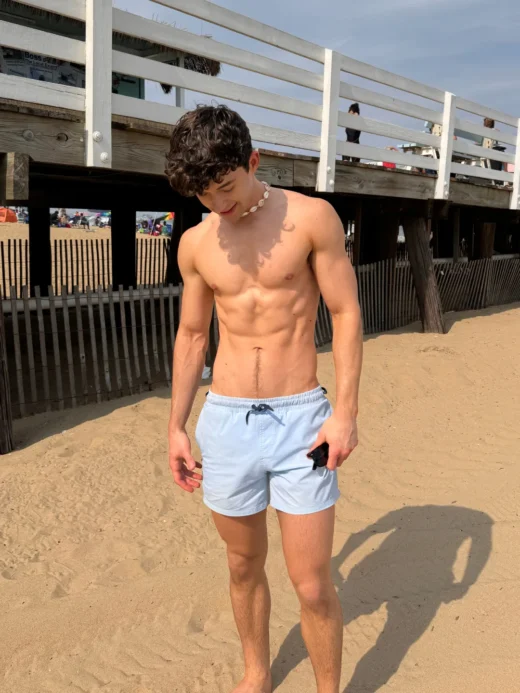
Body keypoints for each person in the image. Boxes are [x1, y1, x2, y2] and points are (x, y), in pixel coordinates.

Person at [166, 105, 363, 693]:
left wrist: (345, 413)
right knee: (242, 564)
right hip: (226, 421)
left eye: (225, 186)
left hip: (302, 421)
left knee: (312, 583)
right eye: (204, 194)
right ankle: (257, 673)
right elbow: (192, 336)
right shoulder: (196, 243)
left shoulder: (311, 218)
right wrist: (176, 426)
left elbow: (346, 313)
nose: (217, 203)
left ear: (253, 161)